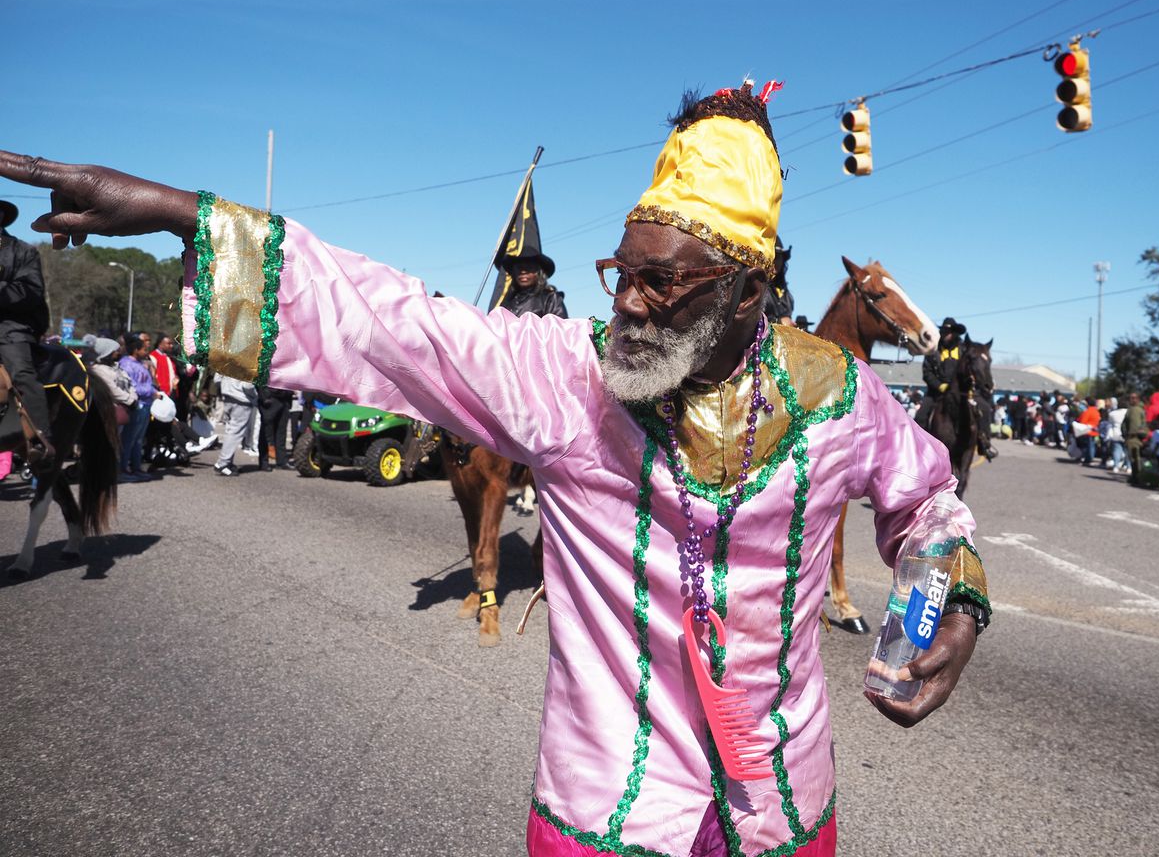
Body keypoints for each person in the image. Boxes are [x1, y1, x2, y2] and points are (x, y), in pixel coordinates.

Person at [0, 84, 988, 857]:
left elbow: (926, 506)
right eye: (620, 273)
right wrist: (184, 213)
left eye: (663, 280)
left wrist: (943, 604)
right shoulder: (565, 371)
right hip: (605, 823)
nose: (630, 306)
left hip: (785, 818)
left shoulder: (836, 395)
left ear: (747, 292)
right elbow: (397, 324)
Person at [0, 199, 55, 468]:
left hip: (10, 328)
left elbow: (30, 290)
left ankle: (40, 439)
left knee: (21, 373)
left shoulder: (23, 251)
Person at [915, 317, 997, 460]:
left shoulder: (964, 350)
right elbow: (927, 373)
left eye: (949, 332)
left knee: (984, 407)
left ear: (955, 333)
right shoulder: (933, 350)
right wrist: (940, 386)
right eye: (944, 331)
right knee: (921, 414)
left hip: (963, 391)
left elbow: (973, 367)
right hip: (937, 392)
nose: (946, 334)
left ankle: (984, 441)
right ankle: (917, 446)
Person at [117, 333, 156, 481]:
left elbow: (147, 383)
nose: (146, 352)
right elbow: (132, 386)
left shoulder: (140, 364)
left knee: (138, 439)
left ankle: (136, 467)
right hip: (136, 405)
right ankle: (123, 468)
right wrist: (152, 391)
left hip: (146, 404)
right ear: (135, 350)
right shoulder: (126, 364)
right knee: (129, 438)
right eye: (143, 349)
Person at [499, 246, 567, 319]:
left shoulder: (550, 299)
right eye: (519, 268)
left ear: (539, 273)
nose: (523, 271)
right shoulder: (507, 301)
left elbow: (559, 327)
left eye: (529, 268)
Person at [213, 375, 257, 477]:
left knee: (230, 430)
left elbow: (217, 379)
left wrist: (225, 387)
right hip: (241, 398)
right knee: (235, 432)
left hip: (227, 396)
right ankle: (223, 463)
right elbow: (248, 386)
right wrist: (256, 397)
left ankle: (227, 462)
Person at [256, 385, 294, 471]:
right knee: (266, 432)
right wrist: (264, 397)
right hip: (271, 398)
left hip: (284, 398)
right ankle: (263, 462)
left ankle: (281, 461)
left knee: (281, 432)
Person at [762, 236, 794, 325]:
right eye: (772, 256)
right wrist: (779, 322)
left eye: (778, 257)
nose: (775, 261)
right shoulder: (756, 286)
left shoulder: (786, 293)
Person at [1121, 392, 1148, 485]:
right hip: (1133, 437)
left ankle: (1138, 477)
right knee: (1133, 458)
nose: (1132, 400)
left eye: (1134, 398)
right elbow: (1124, 424)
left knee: (1135, 458)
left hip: (1135, 437)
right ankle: (1135, 476)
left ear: (1138, 399)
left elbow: (1138, 425)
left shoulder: (1136, 410)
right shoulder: (1132, 409)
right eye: (1131, 398)